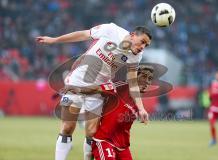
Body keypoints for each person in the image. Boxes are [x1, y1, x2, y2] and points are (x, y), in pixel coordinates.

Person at [36, 23, 152, 160]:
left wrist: (141, 108)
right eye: (142, 42)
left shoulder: (136, 56)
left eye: (146, 45)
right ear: (133, 35)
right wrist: (54, 40)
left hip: (99, 89)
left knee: (91, 133)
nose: (142, 47)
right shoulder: (111, 30)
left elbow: (133, 83)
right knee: (67, 127)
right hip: (77, 81)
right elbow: (83, 34)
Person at [91, 65, 154, 160]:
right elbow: (96, 89)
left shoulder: (138, 104)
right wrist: (76, 89)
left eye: (150, 79)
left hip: (122, 146)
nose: (147, 82)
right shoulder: (119, 87)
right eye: (144, 77)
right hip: (104, 140)